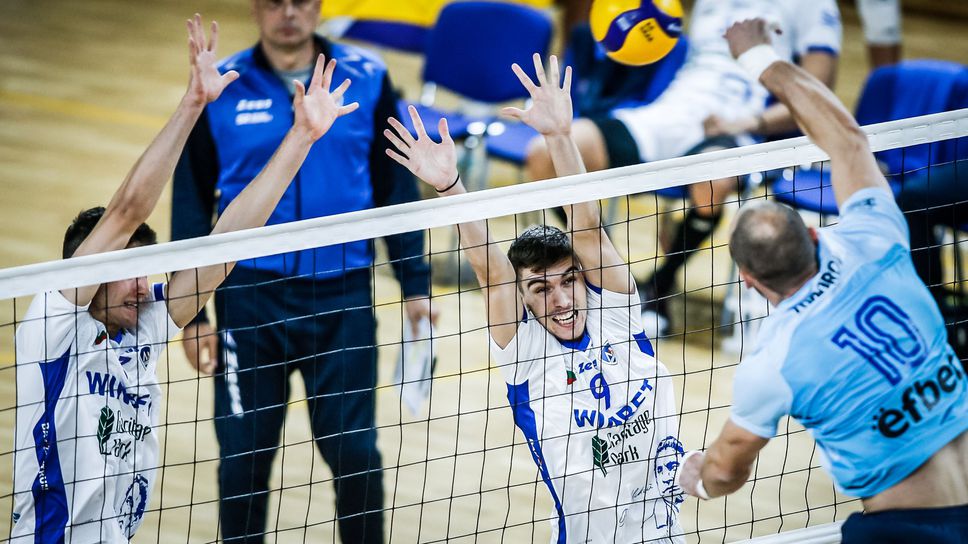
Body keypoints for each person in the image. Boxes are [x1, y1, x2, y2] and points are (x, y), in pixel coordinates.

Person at [11, 15, 359, 543]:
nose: (139, 286)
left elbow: (229, 244)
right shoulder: (53, 328)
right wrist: (193, 103)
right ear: (85, 275)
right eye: (127, 273)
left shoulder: (142, 328)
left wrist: (302, 137)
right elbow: (127, 211)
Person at [677, 19, 968, 543]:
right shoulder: (875, 239)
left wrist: (697, 480)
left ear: (747, 280)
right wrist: (759, 56)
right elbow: (847, 140)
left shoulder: (773, 362)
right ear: (814, 233)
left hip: (908, 531)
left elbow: (725, 468)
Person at [385, 53, 684, 543]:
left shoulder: (616, 316)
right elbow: (492, 273)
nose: (562, 299)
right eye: (541, 289)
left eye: (568, 281)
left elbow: (585, 225)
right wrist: (450, 186)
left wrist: (560, 136)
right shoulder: (525, 356)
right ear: (523, 300)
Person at [170, 0, 434, 541]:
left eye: (303, 0)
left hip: (342, 299)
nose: (289, 12)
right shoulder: (221, 87)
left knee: (355, 453)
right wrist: (192, 312)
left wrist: (415, 283)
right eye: (274, 1)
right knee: (243, 461)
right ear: (254, 6)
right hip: (247, 298)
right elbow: (193, 200)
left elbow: (397, 190)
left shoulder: (369, 77)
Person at [525, 0, 842, 336]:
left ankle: (658, 286)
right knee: (545, 154)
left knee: (713, 182)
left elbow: (816, 97)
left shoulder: (813, 5)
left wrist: (748, 121)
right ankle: (611, 273)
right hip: (665, 116)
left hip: (738, 124)